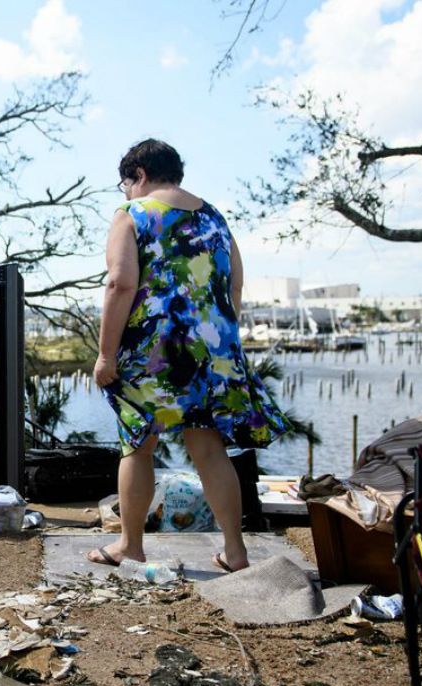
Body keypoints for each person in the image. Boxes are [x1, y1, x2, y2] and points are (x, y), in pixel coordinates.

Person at [90, 139, 290, 574]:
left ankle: (131, 546)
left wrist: (106, 354)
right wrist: (218, 336)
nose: (125, 192)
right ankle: (235, 552)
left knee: (138, 446)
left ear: (139, 174)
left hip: (153, 352)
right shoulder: (213, 216)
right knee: (210, 449)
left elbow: (120, 284)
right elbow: (235, 283)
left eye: (126, 183)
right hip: (213, 351)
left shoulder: (133, 214)